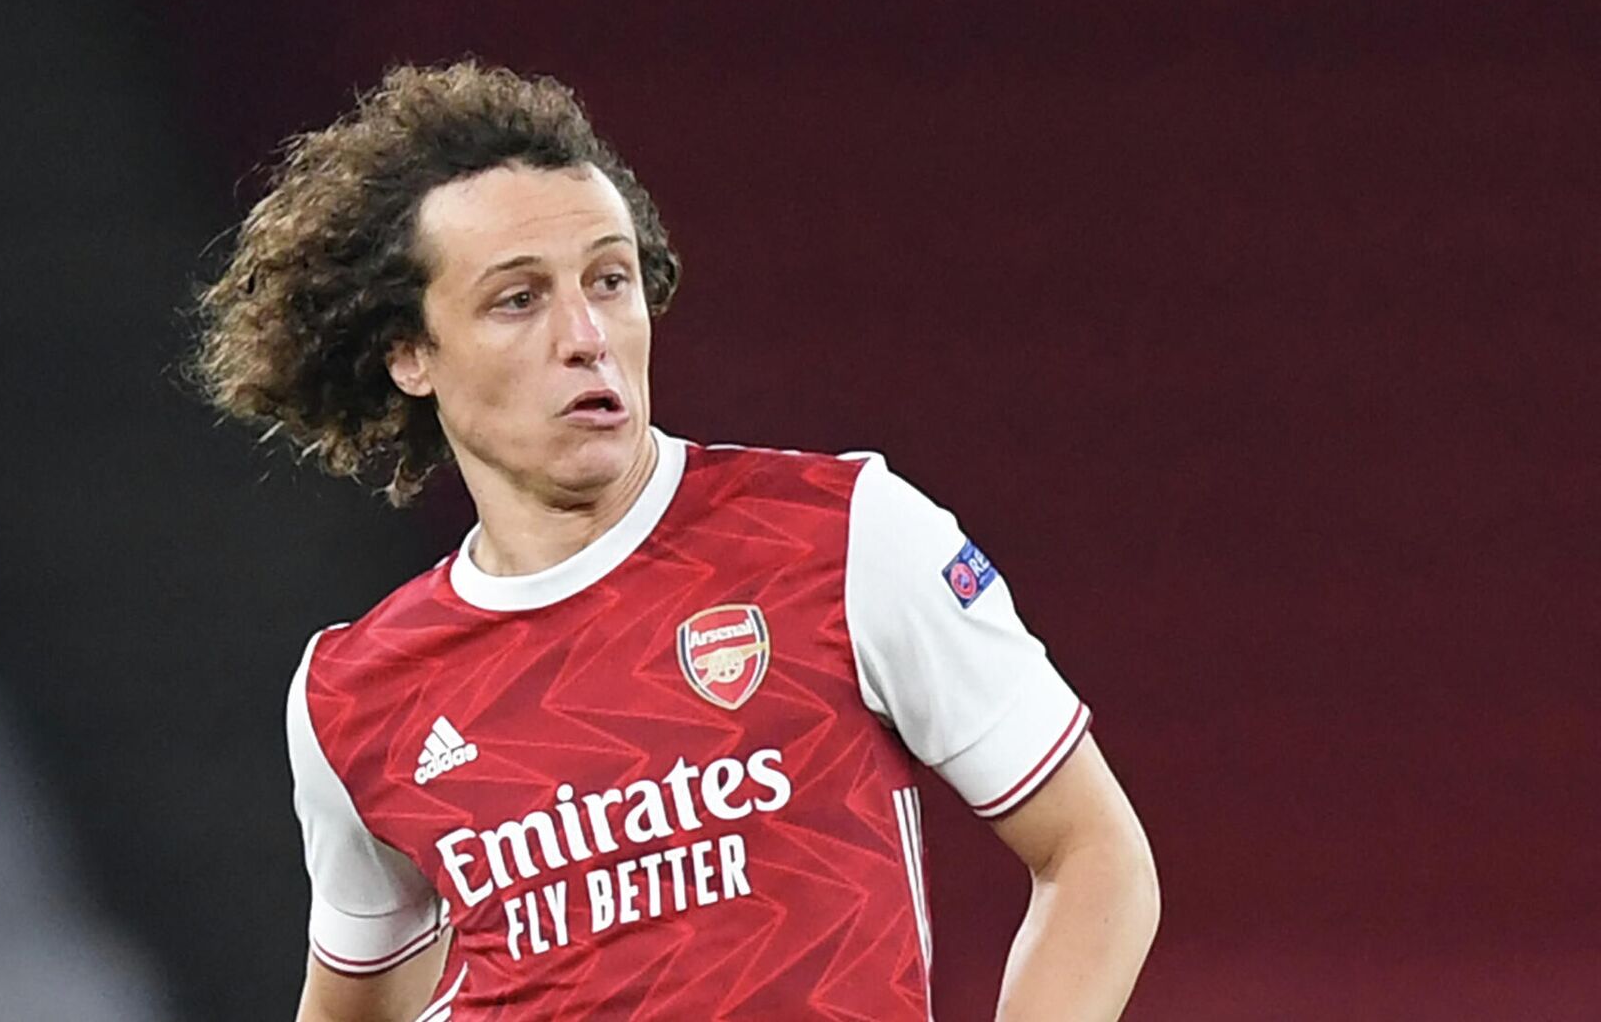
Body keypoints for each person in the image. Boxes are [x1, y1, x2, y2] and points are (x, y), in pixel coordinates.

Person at [195, 61, 1159, 1021]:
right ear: (408, 353)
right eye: (518, 299)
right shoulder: (356, 694)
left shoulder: (841, 536)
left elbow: (1094, 859)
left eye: (610, 280)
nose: (587, 334)